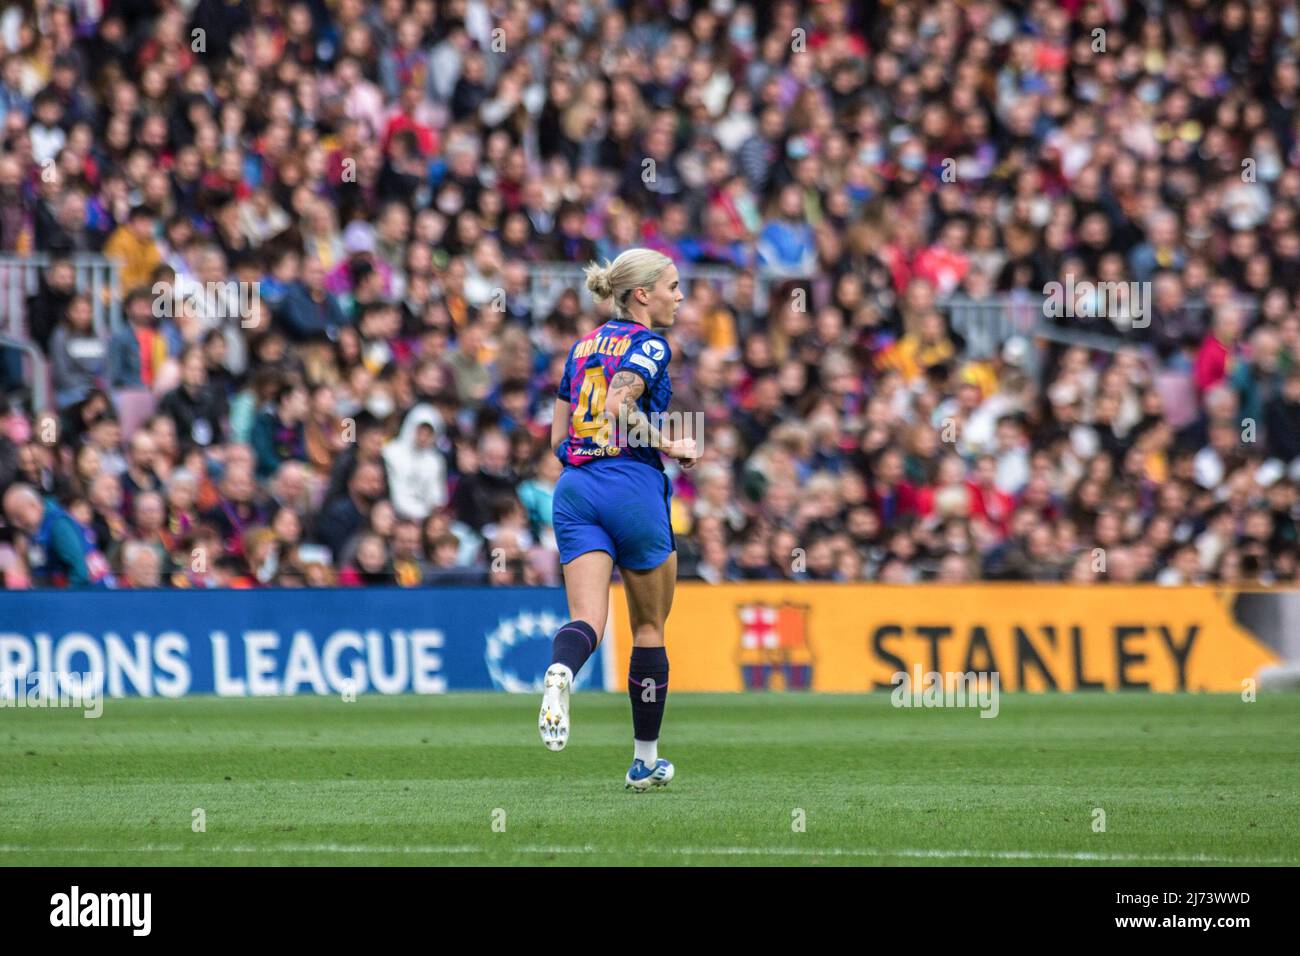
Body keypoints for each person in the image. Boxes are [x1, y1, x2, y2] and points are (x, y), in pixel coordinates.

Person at [538, 248, 697, 791]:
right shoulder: (650, 343)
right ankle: (644, 760)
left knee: (588, 621)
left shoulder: (582, 344)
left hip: (576, 488)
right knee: (649, 627)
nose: (680, 296)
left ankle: (562, 671)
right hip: (631, 485)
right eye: (673, 286)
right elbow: (619, 408)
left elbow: (558, 435)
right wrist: (670, 444)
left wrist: (583, 461)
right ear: (643, 294)